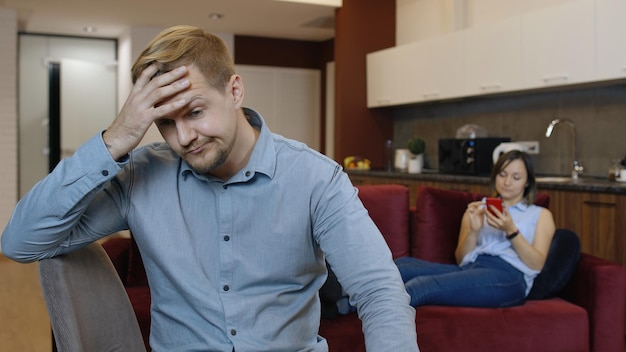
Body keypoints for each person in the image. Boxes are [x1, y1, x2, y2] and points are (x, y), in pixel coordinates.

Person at [1, 25, 419, 351]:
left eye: (196, 111)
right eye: (166, 122)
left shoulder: (317, 179)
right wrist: (116, 138)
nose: (183, 136)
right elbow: (21, 242)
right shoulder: (141, 176)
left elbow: (379, 292)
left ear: (234, 90)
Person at [395, 150, 556, 308]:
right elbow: (461, 259)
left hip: (509, 275)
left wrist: (511, 230)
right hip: (473, 267)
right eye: (502, 174)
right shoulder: (478, 210)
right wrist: (473, 230)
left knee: (421, 286)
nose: (507, 182)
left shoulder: (540, 215)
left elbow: (537, 265)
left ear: (527, 182)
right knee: (401, 268)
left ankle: (380, 331)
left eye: (516, 177)